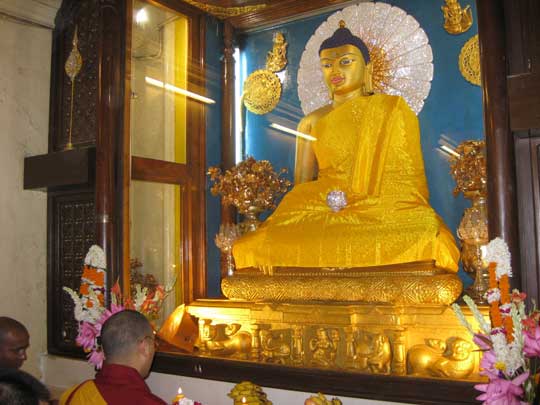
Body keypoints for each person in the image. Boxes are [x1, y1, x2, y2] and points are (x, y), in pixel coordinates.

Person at [233, 21, 459, 273]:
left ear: (367, 68)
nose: (335, 71)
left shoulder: (392, 110)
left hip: (380, 212)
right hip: (325, 208)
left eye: (346, 62)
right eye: (327, 65)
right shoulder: (311, 121)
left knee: (430, 233)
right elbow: (302, 187)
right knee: (253, 244)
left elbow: (407, 185)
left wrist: (367, 203)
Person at [59, 310, 166, 405]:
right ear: (145, 348)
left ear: (103, 351)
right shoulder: (149, 402)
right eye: (154, 344)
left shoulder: (73, 395)